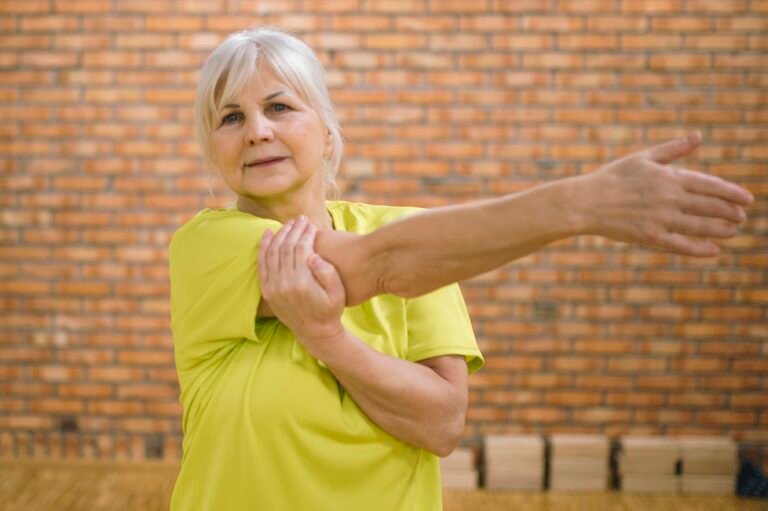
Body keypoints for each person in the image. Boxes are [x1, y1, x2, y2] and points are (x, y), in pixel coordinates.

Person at [168, 27, 753, 511]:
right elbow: (377, 266)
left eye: (278, 107)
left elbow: (442, 425)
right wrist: (579, 203)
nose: (258, 131)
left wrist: (327, 338)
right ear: (213, 149)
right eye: (230, 118)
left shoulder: (417, 240)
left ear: (326, 133)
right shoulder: (208, 245)